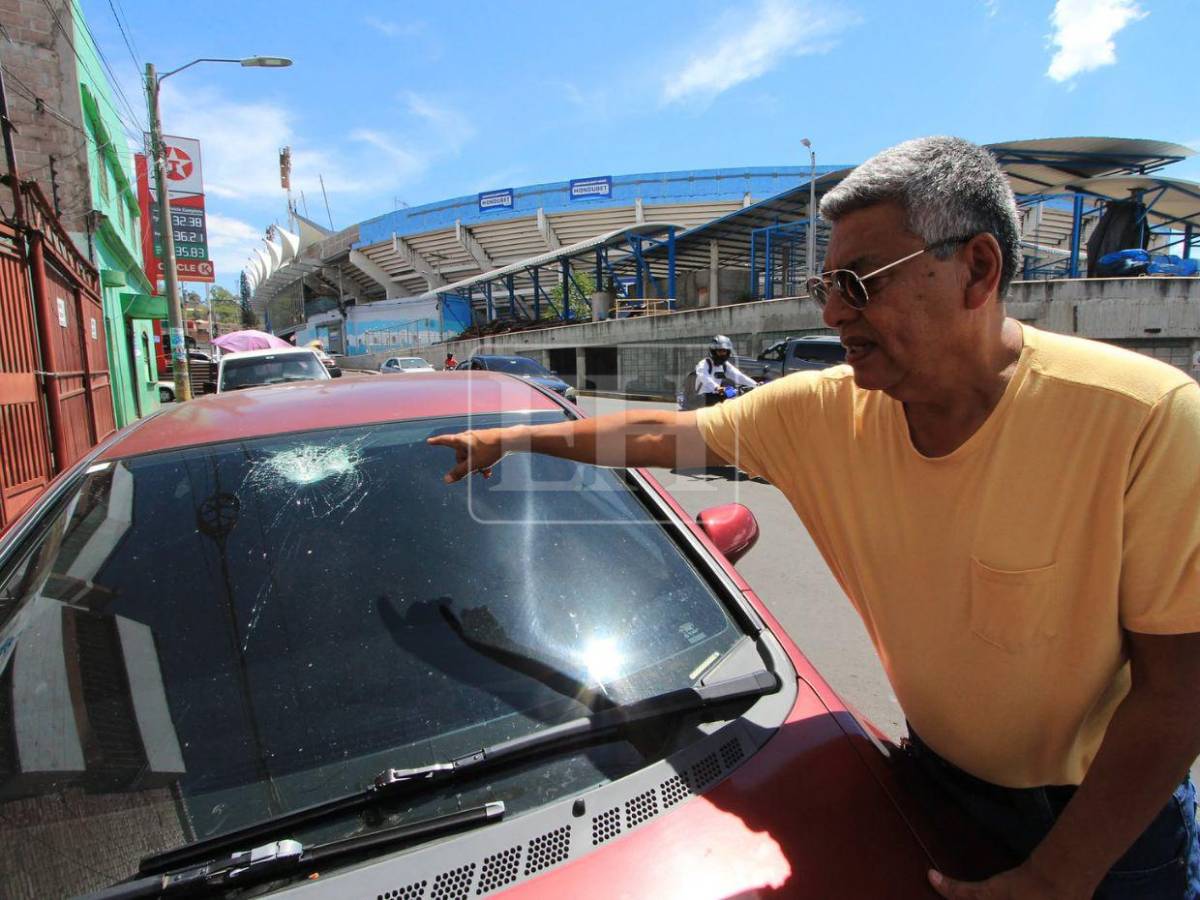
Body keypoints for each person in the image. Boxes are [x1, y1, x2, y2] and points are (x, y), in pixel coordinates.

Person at [428, 136, 1200, 899]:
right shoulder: (824, 415)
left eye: (860, 284)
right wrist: (514, 437)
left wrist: (1058, 878)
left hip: (1105, 831)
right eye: (825, 284)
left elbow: (1178, 691)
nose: (833, 312)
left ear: (977, 269)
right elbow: (662, 434)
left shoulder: (1141, 420)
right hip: (932, 781)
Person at [694, 335, 757, 405]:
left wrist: (755, 384)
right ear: (714, 351)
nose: (722, 354)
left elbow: (738, 376)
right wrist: (717, 388)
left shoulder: (724, 365)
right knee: (721, 396)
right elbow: (704, 378)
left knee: (733, 394)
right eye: (720, 351)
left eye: (724, 351)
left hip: (716, 394)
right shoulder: (704, 363)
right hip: (702, 399)